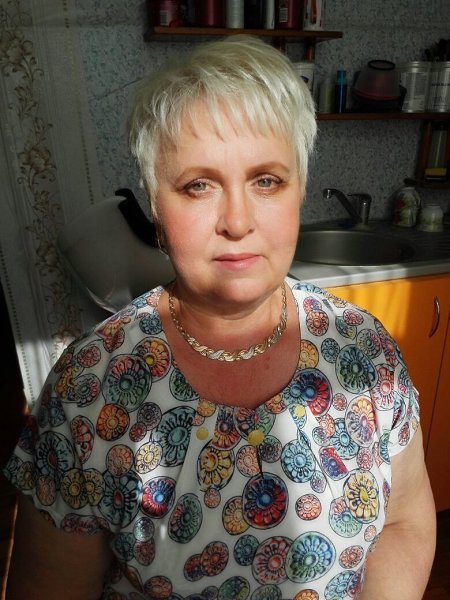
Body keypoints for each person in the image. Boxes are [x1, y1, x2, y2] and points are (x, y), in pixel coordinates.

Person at [4, 35, 436, 600]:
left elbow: (405, 522)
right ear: (156, 207)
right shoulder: (90, 386)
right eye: (199, 186)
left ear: (299, 191)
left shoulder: (363, 349)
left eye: (266, 181)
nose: (237, 220)